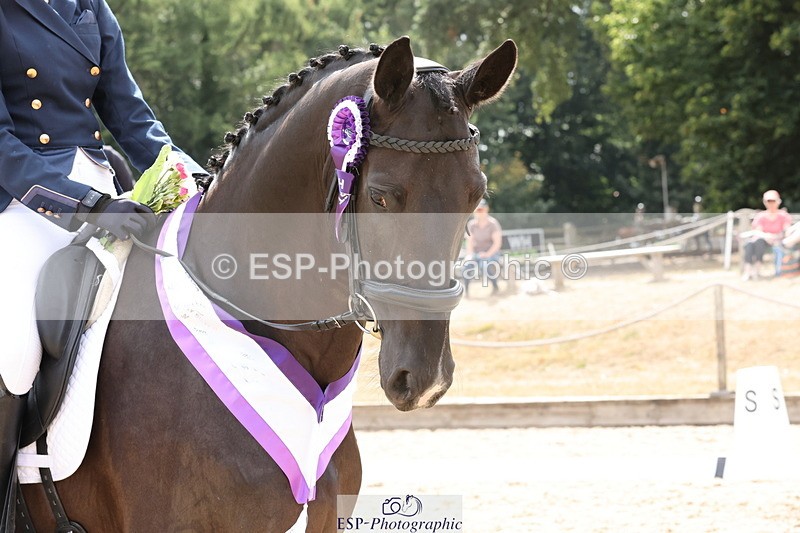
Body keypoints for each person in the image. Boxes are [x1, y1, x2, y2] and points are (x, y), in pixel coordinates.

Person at [0, 0, 207, 526]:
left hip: (103, 189)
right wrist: (87, 206)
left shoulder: (90, 6)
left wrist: (196, 180)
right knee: (14, 349)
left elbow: (131, 116)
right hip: (26, 201)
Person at [741, 190, 793, 280]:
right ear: (765, 202)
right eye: (769, 201)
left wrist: (775, 237)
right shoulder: (761, 216)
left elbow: (786, 231)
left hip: (778, 241)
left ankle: (755, 271)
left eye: (773, 201)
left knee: (757, 242)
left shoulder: (783, 215)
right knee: (751, 243)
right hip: (763, 240)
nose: (771, 204)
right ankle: (749, 271)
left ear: (778, 201)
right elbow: (758, 231)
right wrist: (767, 236)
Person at [463, 198, 503, 296]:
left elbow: (497, 244)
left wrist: (487, 254)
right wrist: (470, 255)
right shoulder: (471, 225)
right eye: (478, 210)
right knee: (466, 266)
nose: (479, 212)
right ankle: (466, 292)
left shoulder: (493, 224)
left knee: (484, 265)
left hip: (491, 253)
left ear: (486, 209)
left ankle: (495, 287)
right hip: (476, 253)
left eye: (481, 209)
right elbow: (469, 242)